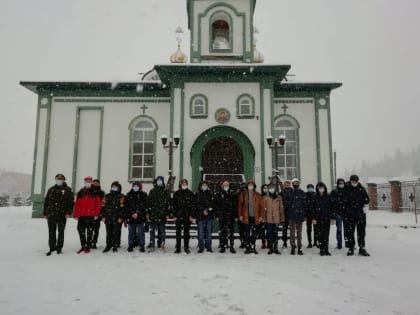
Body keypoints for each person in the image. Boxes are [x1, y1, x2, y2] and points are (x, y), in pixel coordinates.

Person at [43, 173, 74, 256]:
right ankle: (52, 248)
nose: (59, 180)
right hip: (51, 214)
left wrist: (68, 213)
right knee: (51, 232)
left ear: (63, 180)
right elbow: (46, 202)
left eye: (60, 179)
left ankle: (59, 248)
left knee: (61, 232)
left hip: (62, 215)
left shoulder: (68, 190)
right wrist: (45, 213)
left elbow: (71, 203)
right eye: (57, 179)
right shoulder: (51, 189)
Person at [73, 176, 102, 253]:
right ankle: (83, 245)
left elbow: (98, 204)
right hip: (82, 215)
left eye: (89, 182)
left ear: (91, 182)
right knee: (80, 230)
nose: (87, 183)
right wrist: (75, 214)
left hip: (91, 215)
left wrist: (96, 214)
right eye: (86, 181)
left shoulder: (95, 192)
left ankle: (88, 246)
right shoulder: (81, 192)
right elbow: (77, 204)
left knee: (89, 231)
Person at [344, 175, 370, 256]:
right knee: (350, 232)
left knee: (361, 232)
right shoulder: (346, 189)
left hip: (360, 214)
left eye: (355, 181)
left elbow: (367, 200)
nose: (354, 183)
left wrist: (362, 203)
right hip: (350, 214)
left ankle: (362, 248)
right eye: (352, 181)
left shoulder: (361, 189)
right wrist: (347, 208)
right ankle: (351, 248)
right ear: (350, 181)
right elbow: (343, 201)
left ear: (358, 181)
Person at [238, 180, 263, 254]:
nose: (250, 186)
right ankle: (248, 247)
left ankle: (253, 246)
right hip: (246, 217)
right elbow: (240, 206)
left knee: (254, 233)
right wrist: (240, 215)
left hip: (255, 217)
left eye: (252, 185)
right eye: (249, 185)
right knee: (246, 233)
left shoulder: (258, 195)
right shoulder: (243, 194)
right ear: (247, 186)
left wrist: (261, 216)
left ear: (254, 186)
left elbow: (261, 206)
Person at [101, 181, 126, 253]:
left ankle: (115, 245)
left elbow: (123, 208)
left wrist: (121, 217)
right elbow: (102, 206)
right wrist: (103, 216)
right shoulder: (106, 196)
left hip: (117, 218)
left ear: (118, 188)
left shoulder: (121, 197)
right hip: (108, 217)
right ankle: (108, 245)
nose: (114, 188)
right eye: (113, 187)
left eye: (115, 187)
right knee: (109, 232)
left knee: (116, 232)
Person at [172, 179, 195, 254]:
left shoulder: (190, 193)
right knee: (178, 233)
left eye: (185, 183)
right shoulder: (177, 193)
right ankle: (178, 248)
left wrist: (191, 215)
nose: (184, 184)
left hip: (187, 216)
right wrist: (174, 215)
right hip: (178, 216)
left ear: (187, 184)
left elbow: (192, 206)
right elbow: (174, 206)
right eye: (183, 183)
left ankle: (186, 247)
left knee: (186, 233)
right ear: (180, 184)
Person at [147, 176, 170, 251]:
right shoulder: (152, 191)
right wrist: (148, 212)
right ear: (156, 182)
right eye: (158, 180)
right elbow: (148, 203)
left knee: (162, 231)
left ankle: (162, 243)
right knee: (152, 231)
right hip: (153, 214)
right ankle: (152, 244)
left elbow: (168, 204)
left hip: (162, 214)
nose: (159, 181)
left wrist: (167, 213)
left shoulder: (165, 192)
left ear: (163, 182)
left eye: (161, 180)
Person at [214, 181, 237, 253]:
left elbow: (235, 206)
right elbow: (216, 205)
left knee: (231, 232)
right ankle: (222, 246)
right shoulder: (219, 194)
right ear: (222, 186)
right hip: (222, 216)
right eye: (225, 185)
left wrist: (236, 216)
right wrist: (217, 215)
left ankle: (231, 246)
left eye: (227, 185)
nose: (226, 186)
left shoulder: (233, 194)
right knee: (222, 232)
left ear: (229, 186)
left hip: (231, 216)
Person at [284, 178, 306, 255]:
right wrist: (291, 205)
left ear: (299, 184)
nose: (296, 184)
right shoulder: (289, 192)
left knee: (299, 233)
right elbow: (286, 204)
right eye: (294, 183)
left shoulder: (302, 192)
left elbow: (305, 204)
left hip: (300, 215)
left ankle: (299, 248)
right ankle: (293, 247)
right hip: (292, 215)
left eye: (297, 182)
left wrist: (303, 213)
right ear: (292, 184)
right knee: (292, 233)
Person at [125, 181, 148, 253]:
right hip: (131, 217)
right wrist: (132, 213)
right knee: (131, 232)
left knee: (141, 232)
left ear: (139, 187)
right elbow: (127, 206)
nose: (135, 187)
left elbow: (144, 206)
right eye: (134, 185)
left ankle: (142, 245)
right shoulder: (129, 195)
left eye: (137, 186)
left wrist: (138, 213)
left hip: (140, 217)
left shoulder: (143, 195)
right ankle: (130, 245)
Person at [262, 183, 285, 255]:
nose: (272, 189)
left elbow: (281, 208)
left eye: (273, 188)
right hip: (268, 219)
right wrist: (264, 219)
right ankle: (270, 248)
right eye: (270, 188)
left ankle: (275, 248)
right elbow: (264, 209)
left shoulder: (279, 197)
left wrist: (282, 218)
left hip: (276, 218)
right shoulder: (265, 197)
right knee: (269, 234)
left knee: (275, 234)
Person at [313, 182, 335, 256]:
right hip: (318, 218)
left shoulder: (328, 196)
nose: (321, 189)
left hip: (327, 218)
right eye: (319, 188)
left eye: (322, 187)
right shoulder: (315, 196)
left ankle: (326, 249)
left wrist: (332, 217)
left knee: (326, 234)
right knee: (320, 234)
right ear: (317, 189)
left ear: (324, 188)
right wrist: (314, 218)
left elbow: (332, 207)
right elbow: (312, 209)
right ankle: (321, 249)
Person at [195, 181, 214, 253]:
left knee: (209, 233)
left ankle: (208, 246)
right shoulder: (198, 194)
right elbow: (196, 205)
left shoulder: (210, 194)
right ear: (201, 186)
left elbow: (213, 204)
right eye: (203, 185)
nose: (204, 186)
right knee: (201, 233)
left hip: (209, 217)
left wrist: (209, 210)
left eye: (206, 185)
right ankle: (201, 247)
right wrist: (202, 210)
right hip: (200, 216)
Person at [330, 178, 347, 249]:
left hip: (346, 213)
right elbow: (331, 203)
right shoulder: (334, 192)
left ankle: (348, 243)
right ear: (337, 184)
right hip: (338, 213)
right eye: (340, 183)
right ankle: (339, 243)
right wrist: (333, 213)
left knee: (347, 229)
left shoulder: (347, 191)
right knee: (339, 229)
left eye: (342, 183)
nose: (341, 184)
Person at [91, 179, 105, 249]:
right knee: (90, 229)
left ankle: (94, 242)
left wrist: (101, 214)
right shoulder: (89, 191)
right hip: (89, 213)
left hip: (98, 213)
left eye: (97, 183)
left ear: (99, 184)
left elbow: (103, 204)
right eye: (94, 183)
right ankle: (89, 242)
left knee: (96, 229)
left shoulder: (101, 193)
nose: (95, 184)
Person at [305, 184, 318, 248]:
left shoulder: (316, 195)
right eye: (309, 187)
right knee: (308, 230)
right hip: (308, 215)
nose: (310, 188)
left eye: (311, 187)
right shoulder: (305, 195)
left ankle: (315, 242)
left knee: (316, 229)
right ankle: (309, 242)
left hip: (315, 215)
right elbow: (304, 205)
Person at [281, 180, 292, 248]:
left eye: (288, 184)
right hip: (284, 213)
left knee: (292, 229)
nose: (287, 185)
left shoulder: (293, 192)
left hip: (291, 213)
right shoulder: (281, 192)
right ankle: (284, 242)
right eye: (286, 184)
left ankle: (292, 242)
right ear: (284, 185)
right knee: (284, 229)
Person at [258, 184, 269, 249]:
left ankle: (269, 243)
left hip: (269, 215)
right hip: (262, 216)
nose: (265, 189)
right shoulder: (260, 196)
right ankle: (263, 243)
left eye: (266, 188)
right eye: (264, 188)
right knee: (262, 231)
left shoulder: (269, 195)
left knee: (268, 231)